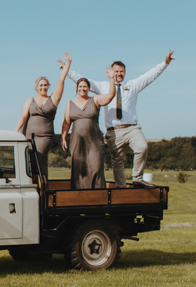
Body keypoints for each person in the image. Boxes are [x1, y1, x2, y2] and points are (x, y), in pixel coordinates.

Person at [64, 51, 175, 187]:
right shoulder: (103, 86)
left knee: (142, 147)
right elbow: (84, 81)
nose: (119, 74)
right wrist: (67, 71)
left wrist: (165, 63)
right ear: (111, 71)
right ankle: (121, 187)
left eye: (121, 71)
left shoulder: (133, 85)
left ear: (125, 73)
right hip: (113, 131)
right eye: (116, 71)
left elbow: (150, 76)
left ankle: (137, 178)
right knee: (118, 161)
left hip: (132, 128)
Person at [15, 52, 71, 177]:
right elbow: (24, 116)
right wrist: (15, 131)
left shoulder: (54, 99)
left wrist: (68, 63)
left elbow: (61, 80)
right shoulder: (30, 100)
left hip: (45, 136)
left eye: (45, 85)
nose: (43, 87)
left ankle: (43, 188)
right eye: (41, 85)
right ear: (36, 87)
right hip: (28, 135)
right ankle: (31, 187)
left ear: (48, 86)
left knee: (39, 160)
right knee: (28, 162)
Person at [60, 73, 117, 190]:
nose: (82, 89)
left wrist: (111, 79)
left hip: (94, 142)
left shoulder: (95, 100)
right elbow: (66, 122)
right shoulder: (70, 103)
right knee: (80, 170)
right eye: (80, 86)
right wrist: (63, 138)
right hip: (77, 142)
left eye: (85, 86)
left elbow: (111, 95)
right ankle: (80, 196)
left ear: (89, 88)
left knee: (96, 167)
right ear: (77, 88)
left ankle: (97, 196)